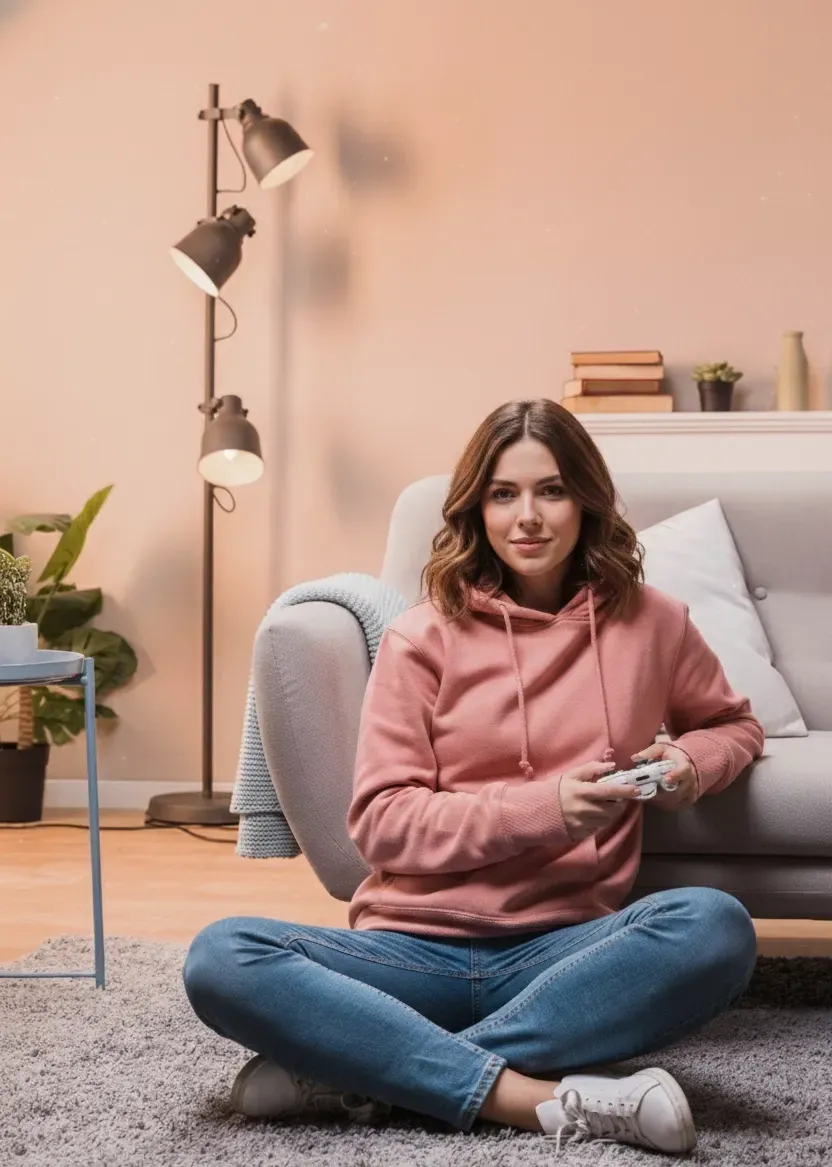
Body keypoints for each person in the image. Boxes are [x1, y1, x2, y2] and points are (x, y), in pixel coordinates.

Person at [183, 398, 764, 1155]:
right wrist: (545, 807)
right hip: (410, 949)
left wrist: (692, 762)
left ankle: (374, 1071)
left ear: (586, 499)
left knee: (714, 927)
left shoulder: (652, 622)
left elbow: (733, 725)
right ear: (476, 509)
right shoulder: (422, 636)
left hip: (564, 953)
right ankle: (530, 1098)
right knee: (222, 955)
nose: (528, 516)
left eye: (551, 490)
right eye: (503, 493)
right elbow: (383, 823)